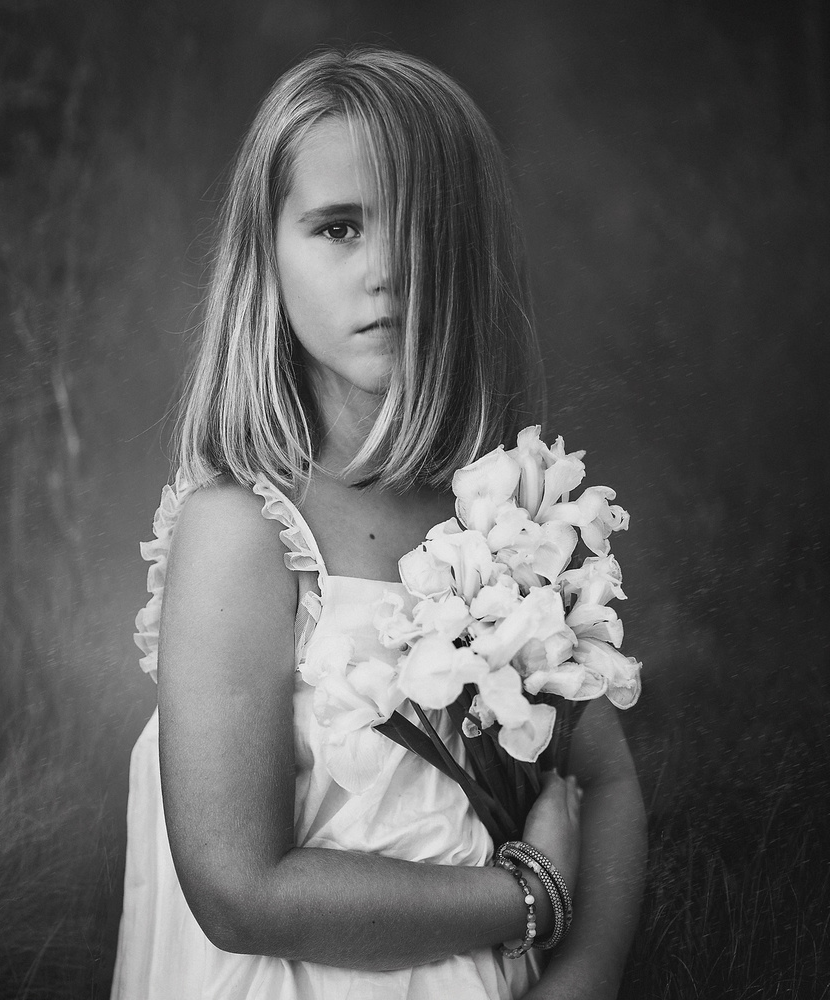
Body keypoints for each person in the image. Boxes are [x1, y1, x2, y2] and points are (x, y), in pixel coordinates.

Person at [111, 46, 647, 1000]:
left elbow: (600, 783)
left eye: (422, 227)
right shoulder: (243, 534)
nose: (388, 269)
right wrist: (527, 897)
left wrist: (583, 980)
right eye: (338, 228)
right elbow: (240, 891)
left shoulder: (507, 516)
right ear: (268, 258)